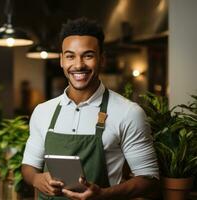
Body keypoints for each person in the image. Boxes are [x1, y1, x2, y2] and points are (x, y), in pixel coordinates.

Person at [21, 17, 159, 200]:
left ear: (102, 59)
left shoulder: (129, 113)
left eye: (88, 55)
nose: (78, 65)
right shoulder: (42, 111)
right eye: (70, 56)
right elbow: (28, 167)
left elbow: (149, 179)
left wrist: (104, 194)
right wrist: (37, 179)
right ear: (61, 60)